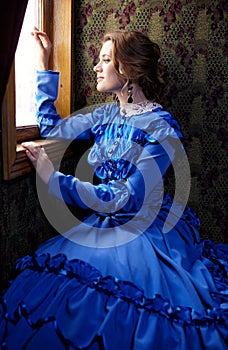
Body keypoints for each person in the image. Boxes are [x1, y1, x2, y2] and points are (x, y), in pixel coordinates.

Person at [0, 27, 227, 350]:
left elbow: (126, 198)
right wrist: (43, 62)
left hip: (141, 229)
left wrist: (55, 181)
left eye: (105, 59)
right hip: (101, 221)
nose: (96, 66)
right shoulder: (105, 114)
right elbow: (54, 129)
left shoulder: (161, 129)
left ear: (129, 70)